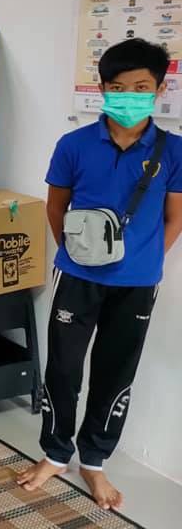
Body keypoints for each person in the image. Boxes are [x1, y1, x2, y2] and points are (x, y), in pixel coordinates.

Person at [17, 39, 182, 510]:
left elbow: (175, 218)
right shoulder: (73, 145)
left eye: (141, 87)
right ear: (103, 88)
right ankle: (55, 453)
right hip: (77, 277)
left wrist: (144, 260)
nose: (129, 96)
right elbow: (55, 207)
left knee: (115, 373)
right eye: (118, 87)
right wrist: (75, 254)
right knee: (63, 368)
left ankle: (94, 461)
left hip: (137, 285)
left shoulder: (173, 150)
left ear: (159, 89)